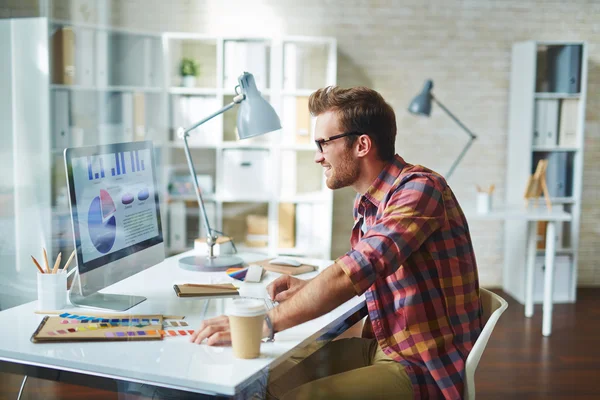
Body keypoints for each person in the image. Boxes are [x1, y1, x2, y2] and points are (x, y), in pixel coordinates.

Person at [191, 86, 483, 400]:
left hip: (422, 365)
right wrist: (308, 287)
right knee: (261, 383)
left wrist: (264, 323)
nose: (318, 157)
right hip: (385, 345)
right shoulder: (368, 202)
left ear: (362, 145)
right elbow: (356, 268)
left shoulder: (420, 188)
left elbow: (355, 271)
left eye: (323, 143)